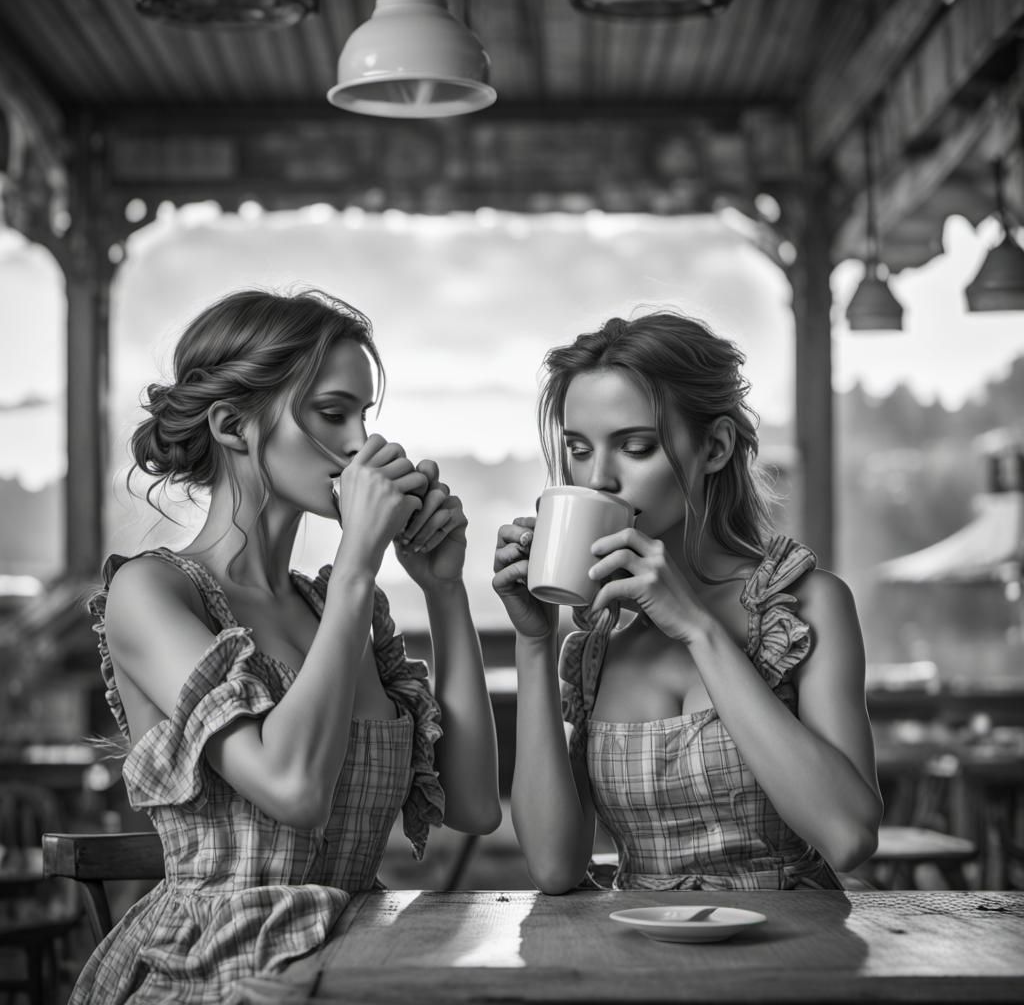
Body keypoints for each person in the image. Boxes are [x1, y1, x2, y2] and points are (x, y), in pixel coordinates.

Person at [72, 288, 501, 1004]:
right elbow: (293, 790)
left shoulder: (332, 607)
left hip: (360, 961)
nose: (362, 444)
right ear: (234, 425)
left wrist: (444, 590)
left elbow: (475, 805)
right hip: (219, 970)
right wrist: (359, 565)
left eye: (364, 416)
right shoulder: (152, 594)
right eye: (334, 414)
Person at [493, 310, 882, 895]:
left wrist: (698, 629)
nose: (598, 478)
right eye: (578, 448)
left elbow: (849, 837)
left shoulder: (806, 605)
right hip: (636, 964)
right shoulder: (601, 646)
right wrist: (534, 640)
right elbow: (553, 868)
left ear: (717, 446)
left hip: (796, 961)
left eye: (636, 446)